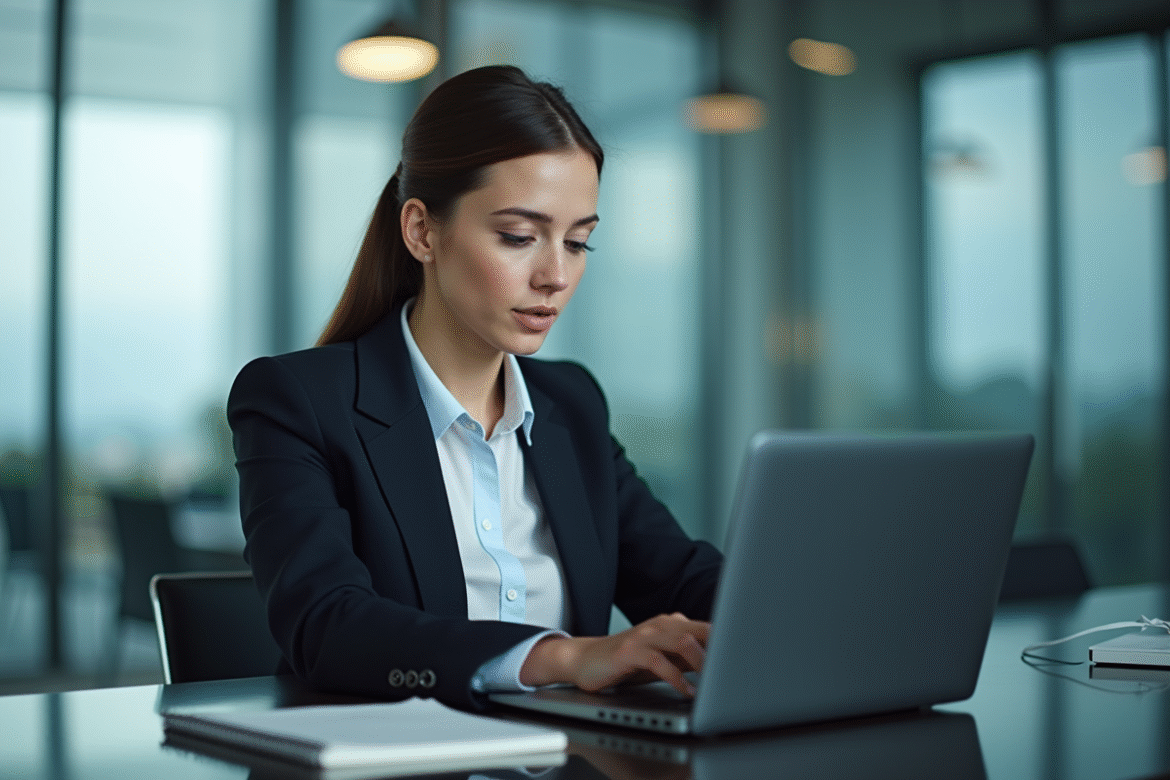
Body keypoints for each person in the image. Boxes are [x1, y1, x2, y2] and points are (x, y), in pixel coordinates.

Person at [227, 65, 723, 711]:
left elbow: (679, 574)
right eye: (518, 237)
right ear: (422, 231)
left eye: (578, 244)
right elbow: (327, 627)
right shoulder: (298, 399)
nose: (554, 275)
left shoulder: (570, 403)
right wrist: (565, 656)